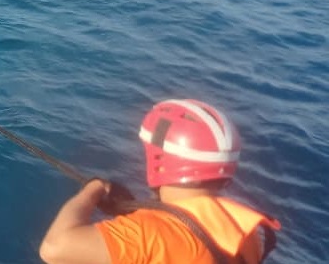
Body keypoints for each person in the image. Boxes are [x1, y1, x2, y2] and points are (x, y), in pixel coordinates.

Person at [39, 99, 280, 264]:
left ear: (162, 162)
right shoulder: (246, 233)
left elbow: (54, 249)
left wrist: (93, 189)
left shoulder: (144, 234)